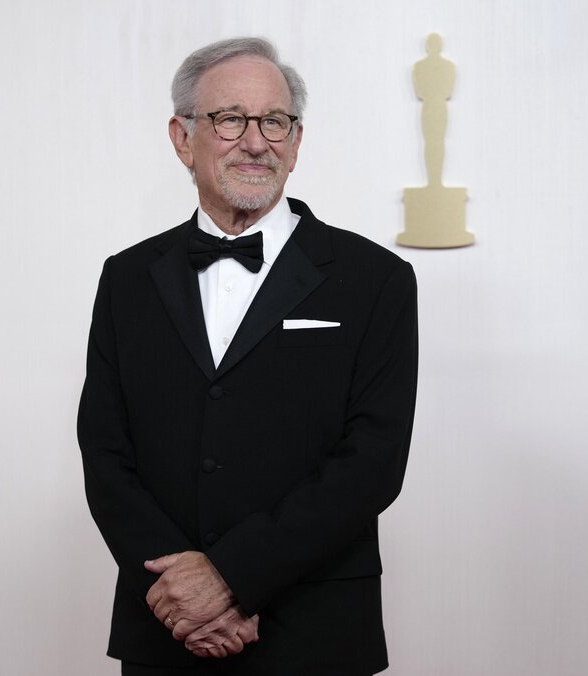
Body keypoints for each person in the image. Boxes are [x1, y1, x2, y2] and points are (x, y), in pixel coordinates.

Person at [77, 37, 418, 675]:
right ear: (182, 138)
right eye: (231, 119)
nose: (256, 142)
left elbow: (373, 462)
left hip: (314, 636)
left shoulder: (377, 279)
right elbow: (105, 452)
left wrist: (232, 578)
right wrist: (182, 594)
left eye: (275, 121)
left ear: (296, 139)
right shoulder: (125, 278)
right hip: (165, 632)